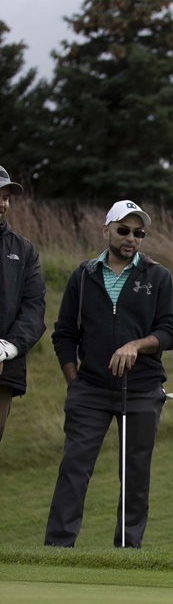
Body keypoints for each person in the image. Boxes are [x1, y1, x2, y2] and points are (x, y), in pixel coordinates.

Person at [44, 200, 173, 548]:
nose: (131, 238)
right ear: (106, 230)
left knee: (134, 474)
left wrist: (136, 345)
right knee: (74, 469)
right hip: (89, 389)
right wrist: (74, 383)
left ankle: (126, 551)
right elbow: (64, 334)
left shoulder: (157, 276)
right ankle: (57, 549)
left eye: (139, 233)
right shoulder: (83, 275)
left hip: (141, 389)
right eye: (123, 230)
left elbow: (172, 330)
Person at [0, 166, 46, 442]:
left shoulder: (24, 251)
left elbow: (34, 308)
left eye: (6, 198)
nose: (2, 204)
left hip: (4, 368)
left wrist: (6, 348)